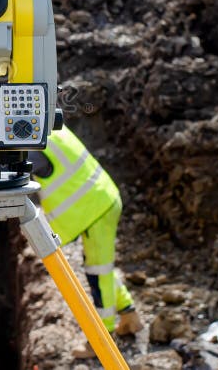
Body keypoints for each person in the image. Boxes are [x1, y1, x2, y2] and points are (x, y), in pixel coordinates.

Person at [27, 124, 143, 357]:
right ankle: (130, 316)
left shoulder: (28, 138)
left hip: (93, 208)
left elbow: (28, 168)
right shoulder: (45, 124)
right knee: (102, 268)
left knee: (97, 273)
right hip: (100, 200)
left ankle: (102, 340)